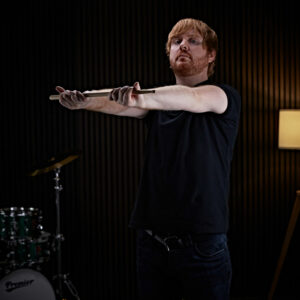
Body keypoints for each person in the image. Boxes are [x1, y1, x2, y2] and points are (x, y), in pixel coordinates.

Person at [56, 18, 241, 300]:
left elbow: (191, 99)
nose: (183, 46)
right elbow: (116, 106)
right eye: (177, 42)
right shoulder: (155, 106)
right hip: (151, 243)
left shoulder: (221, 96)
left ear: (211, 54)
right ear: (168, 53)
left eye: (193, 41)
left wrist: (137, 98)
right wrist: (84, 100)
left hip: (202, 245)